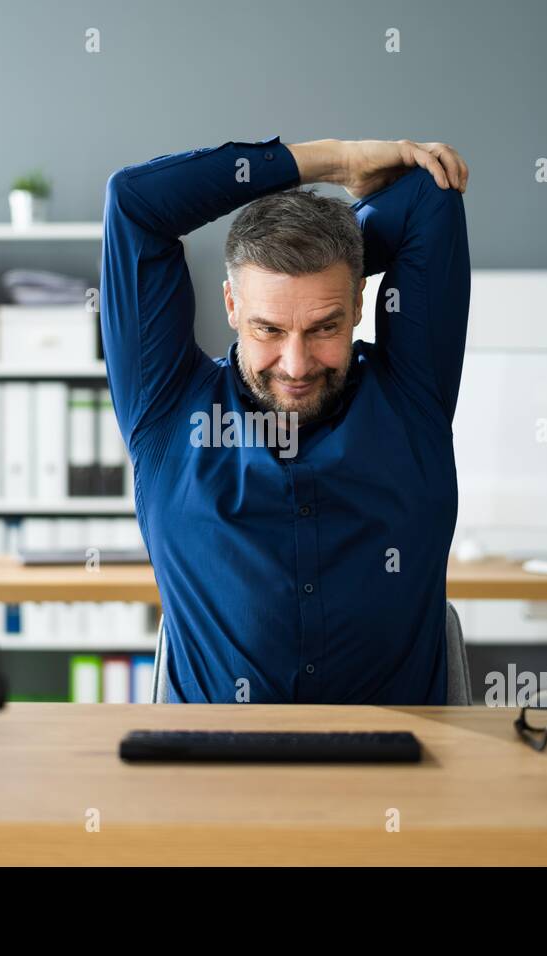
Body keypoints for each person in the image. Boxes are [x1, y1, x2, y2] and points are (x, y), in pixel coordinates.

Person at [101, 136, 470, 703]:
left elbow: (430, 197)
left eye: (325, 326)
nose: (296, 367)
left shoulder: (410, 397)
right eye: (268, 329)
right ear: (231, 306)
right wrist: (336, 161)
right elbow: (134, 202)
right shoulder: (166, 409)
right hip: (212, 777)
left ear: (358, 306)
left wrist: (335, 251)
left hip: (400, 781)